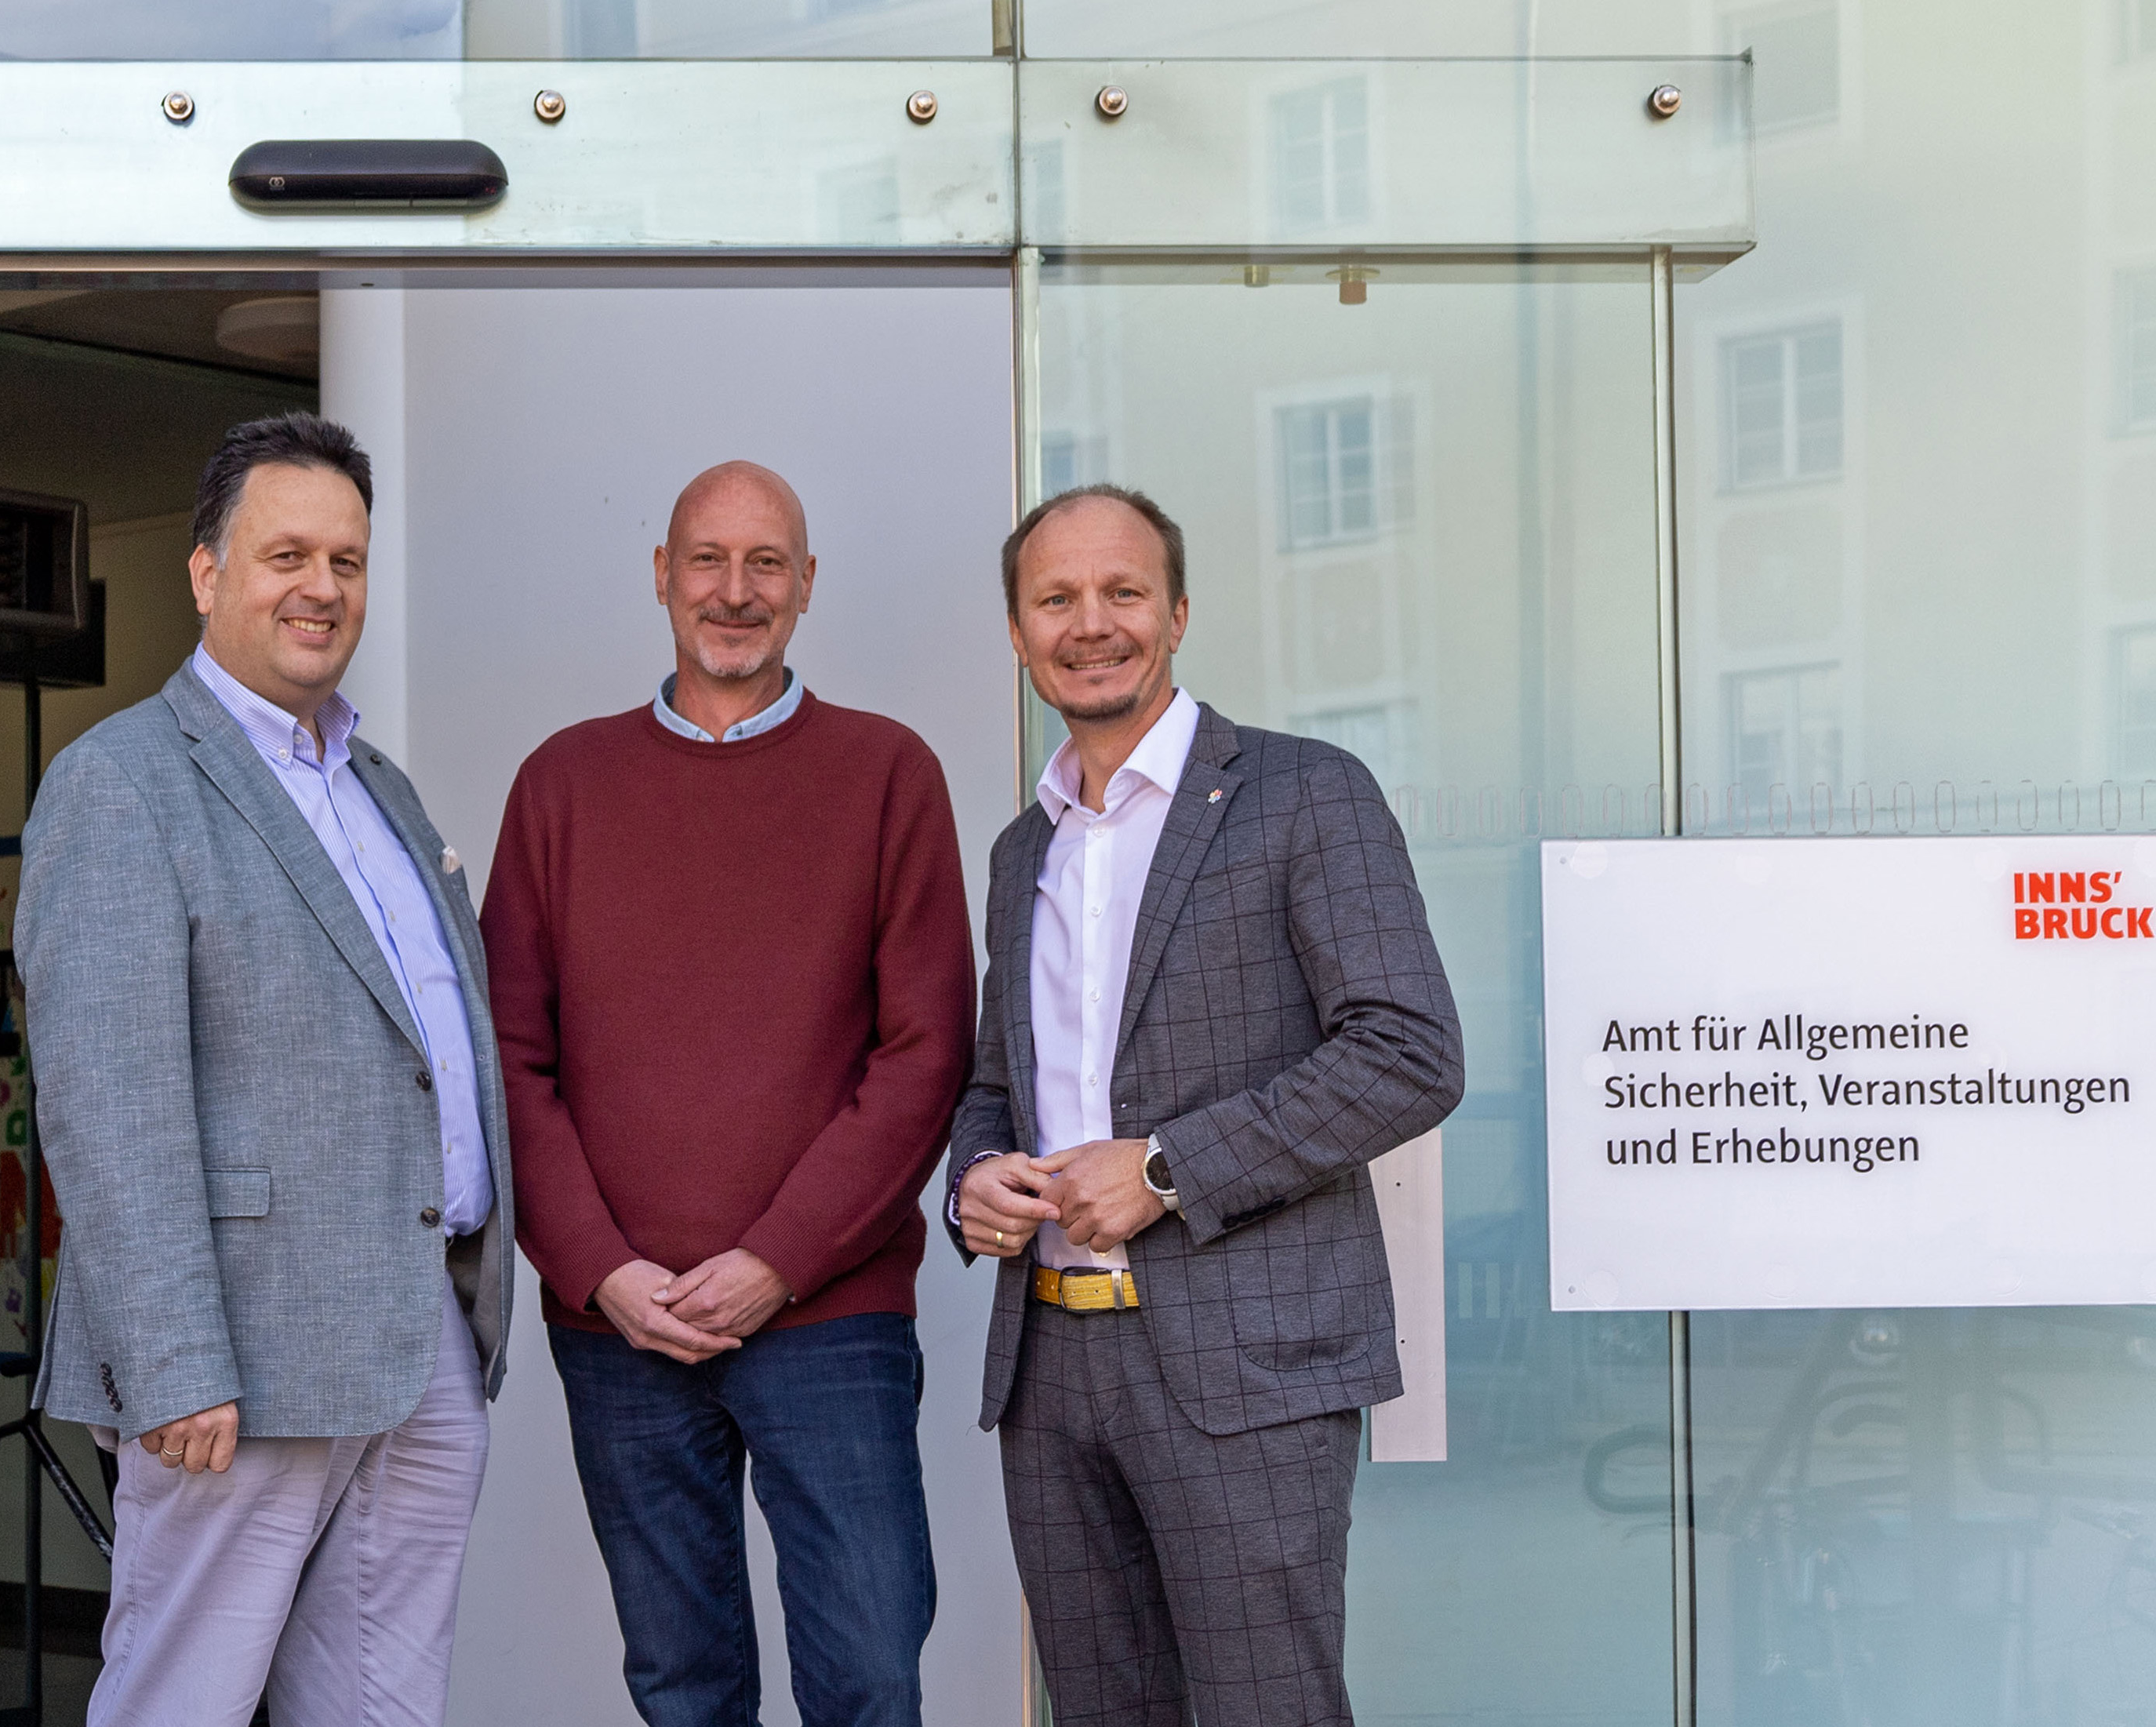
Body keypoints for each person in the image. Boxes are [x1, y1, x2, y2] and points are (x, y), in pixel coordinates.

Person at [15, 413, 514, 1727]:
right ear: (205, 572)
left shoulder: (380, 786)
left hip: (417, 1338)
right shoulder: (122, 783)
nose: (322, 587)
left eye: (346, 560)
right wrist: (174, 1359)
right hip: (240, 1359)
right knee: (179, 1699)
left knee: (381, 1707)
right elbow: (109, 1105)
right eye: (287, 555)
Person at [945, 483, 1464, 1727]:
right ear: (1016, 632)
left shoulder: (1303, 793)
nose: (1090, 623)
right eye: (1054, 598)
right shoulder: (1023, 851)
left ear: (1176, 613)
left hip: (1248, 1366)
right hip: (1050, 1373)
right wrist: (975, 1174)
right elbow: (994, 1083)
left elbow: (1409, 1051)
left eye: (1121, 591)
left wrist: (1165, 1168)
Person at [481, 460, 975, 1727]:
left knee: (870, 1674)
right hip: (622, 1328)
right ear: (661, 574)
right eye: (707, 558)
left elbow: (925, 1053)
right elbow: (506, 1060)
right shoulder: (561, 784)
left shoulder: (886, 773)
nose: (734, 591)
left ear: (807, 585)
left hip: (830, 1318)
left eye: (766, 564)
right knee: (682, 1685)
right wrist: (600, 1269)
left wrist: (776, 1261)